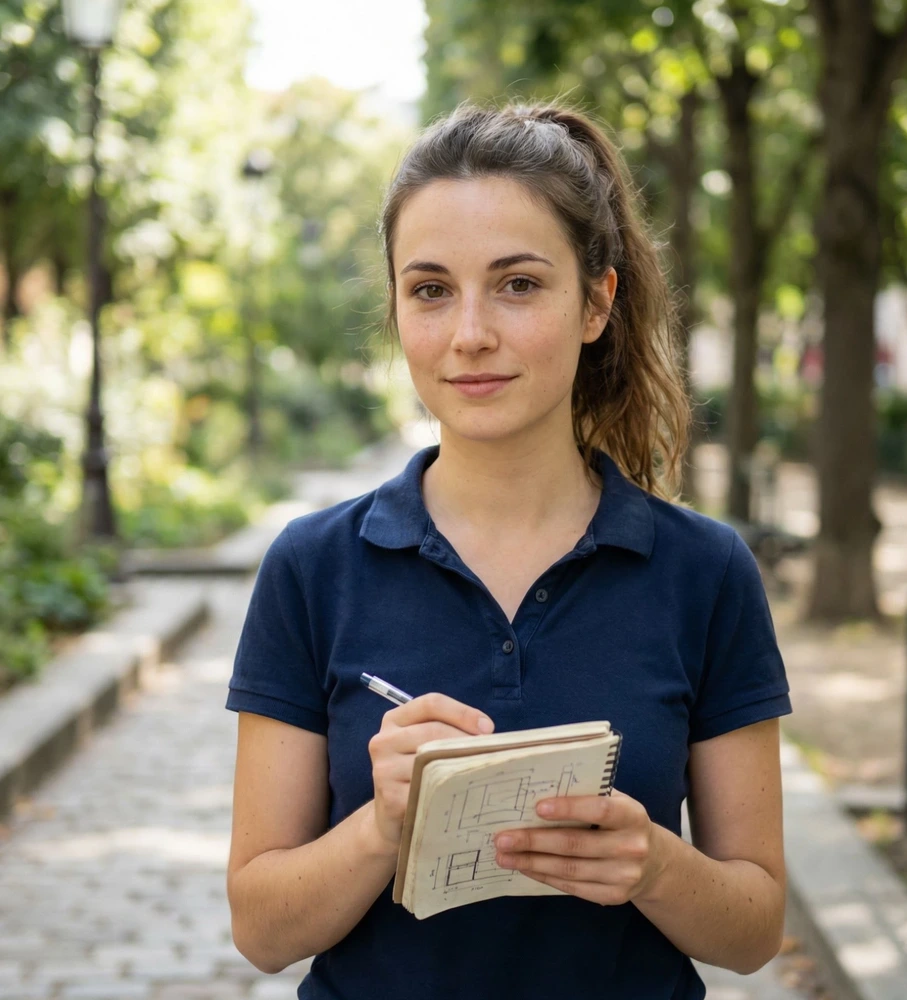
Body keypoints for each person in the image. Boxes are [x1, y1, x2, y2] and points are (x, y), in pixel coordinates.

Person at [224, 99, 793, 1000]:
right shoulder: (310, 568)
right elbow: (260, 929)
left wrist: (656, 868)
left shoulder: (706, 573)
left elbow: (756, 927)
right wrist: (382, 825)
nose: (470, 333)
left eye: (519, 284)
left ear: (597, 303)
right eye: (431, 289)